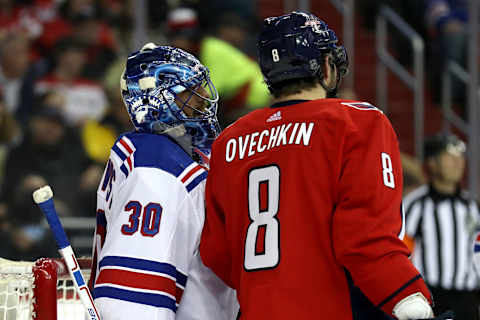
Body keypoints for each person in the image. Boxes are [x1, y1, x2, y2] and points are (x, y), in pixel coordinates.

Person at [199, 11, 450, 320]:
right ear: (327, 67)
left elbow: (216, 253)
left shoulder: (229, 140)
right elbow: (366, 238)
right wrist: (408, 297)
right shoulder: (355, 121)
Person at [89, 43, 238, 320]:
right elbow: (133, 304)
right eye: (189, 90)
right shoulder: (157, 164)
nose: (204, 97)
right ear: (157, 100)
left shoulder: (161, 156)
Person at [403, 133, 480, 320]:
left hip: (468, 298)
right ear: (432, 163)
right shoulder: (415, 204)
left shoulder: (472, 205)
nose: (457, 162)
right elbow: (402, 251)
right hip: (433, 296)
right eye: (449, 156)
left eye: (460, 156)